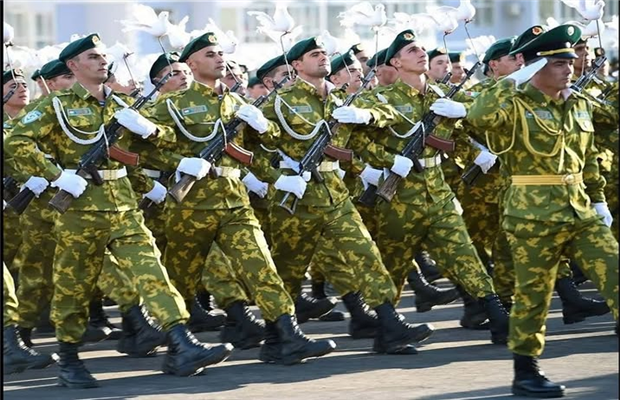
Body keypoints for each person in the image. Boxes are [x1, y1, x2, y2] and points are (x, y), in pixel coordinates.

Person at [5, 33, 233, 388]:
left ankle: (181, 342)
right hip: (79, 210)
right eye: (93, 57)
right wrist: (56, 175)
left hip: (124, 206)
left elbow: (160, 144)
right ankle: (68, 357)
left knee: (153, 273)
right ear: (73, 65)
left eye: (103, 56)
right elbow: (16, 142)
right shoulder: (56, 105)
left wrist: (150, 130)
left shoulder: (122, 106)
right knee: (74, 285)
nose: (102, 61)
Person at [144, 32, 336, 364]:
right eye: (210, 54)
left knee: (261, 267)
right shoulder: (171, 104)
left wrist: (267, 145)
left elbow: (259, 150)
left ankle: (285, 337)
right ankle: (178, 345)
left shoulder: (236, 103)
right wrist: (178, 163)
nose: (220, 58)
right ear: (191, 64)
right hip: (191, 205)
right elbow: (142, 149)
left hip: (235, 201)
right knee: (182, 278)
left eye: (221, 53)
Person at [466, 24, 618, 398]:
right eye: (558, 63)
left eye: (569, 60)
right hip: (531, 216)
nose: (570, 68)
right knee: (533, 297)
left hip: (579, 211)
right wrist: (514, 79)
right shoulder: (514, 103)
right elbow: (478, 117)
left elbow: (587, 157)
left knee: (614, 270)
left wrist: (598, 199)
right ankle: (526, 371)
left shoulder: (577, 102)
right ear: (535, 67)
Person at [259, 35, 435, 354]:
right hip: (296, 197)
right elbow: (249, 149)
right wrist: (277, 179)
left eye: (324, 53)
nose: (323, 57)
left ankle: (389, 325)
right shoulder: (280, 102)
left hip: (335, 193)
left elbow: (369, 132)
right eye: (314, 54)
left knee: (366, 254)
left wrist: (373, 131)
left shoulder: (340, 101)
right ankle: (277, 337)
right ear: (297, 65)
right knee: (289, 270)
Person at [357, 29, 510, 345]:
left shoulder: (443, 96)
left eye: (422, 49)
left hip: (438, 190)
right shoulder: (380, 99)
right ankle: (388, 329)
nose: (421, 53)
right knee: (393, 266)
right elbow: (356, 141)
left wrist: (475, 150)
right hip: (399, 196)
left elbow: (469, 125)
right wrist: (388, 160)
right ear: (396, 62)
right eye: (412, 50)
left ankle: (497, 316)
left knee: (464, 254)